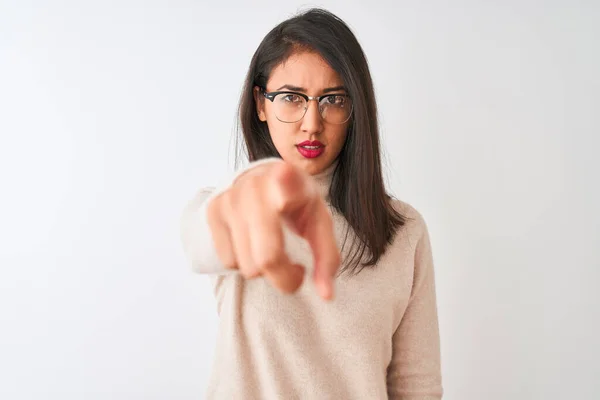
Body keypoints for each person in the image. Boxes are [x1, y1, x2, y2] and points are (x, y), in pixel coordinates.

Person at [180, 8, 443, 400]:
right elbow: (201, 240)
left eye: (333, 99)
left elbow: (416, 387)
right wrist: (239, 202)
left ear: (355, 109)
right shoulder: (238, 205)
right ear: (260, 104)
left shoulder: (404, 230)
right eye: (291, 98)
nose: (312, 123)